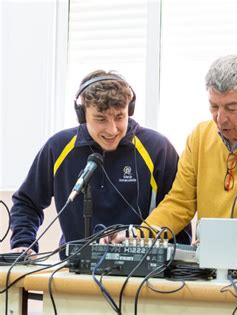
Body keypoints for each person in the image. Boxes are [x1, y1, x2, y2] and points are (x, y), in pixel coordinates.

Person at [107, 55, 237, 263]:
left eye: (231, 108)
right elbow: (179, 203)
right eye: (214, 106)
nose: (220, 118)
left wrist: (223, 247)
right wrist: (138, 236)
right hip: (212, 267)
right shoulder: (200, 135)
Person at [9, 70, 191, 256]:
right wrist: (24, 244)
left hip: (143, 277)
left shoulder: (158, 148)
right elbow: (26, 202)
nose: (112, 130)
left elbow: (178, 214)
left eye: (120, 117)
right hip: (71, 273)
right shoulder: (57, 147)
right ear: (82, 115)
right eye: (100, 119)